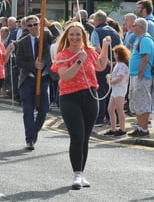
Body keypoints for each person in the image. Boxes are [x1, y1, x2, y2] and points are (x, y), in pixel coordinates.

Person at [51, 22, 111, 190]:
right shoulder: (63, 55)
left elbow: (100, 66)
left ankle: (81, 173)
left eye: (78, 34)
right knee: (77, 137)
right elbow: (66, 76)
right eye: (72, 35)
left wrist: (105, 47)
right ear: (67, 37)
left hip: (90, 96)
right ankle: (76, 174)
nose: (75, 38)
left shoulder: (89, 52)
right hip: (70, 98)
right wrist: (78, 61)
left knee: (85, 137)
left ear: (83, 36)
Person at [16, 15, 62, 150]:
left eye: (35, 24)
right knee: (28, 110)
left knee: (44, 110)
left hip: (44, 78)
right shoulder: (23, 41)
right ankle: (29, 139)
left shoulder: (46, 36)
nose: (33, 27)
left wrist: (49, 25)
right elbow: (18, 62)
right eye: (29, 25)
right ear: (26, 27)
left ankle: (34, 131)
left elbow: (60, 38)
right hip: (28, 79)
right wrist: (33, 65)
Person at [89, 10, 122, 127]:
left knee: (101, 92)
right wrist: (115, 62)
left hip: (102, 65)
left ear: (97, 20)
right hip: (114, 65)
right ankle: (114, 118)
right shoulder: (115, 32)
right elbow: (120, 48)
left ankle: (99, 118)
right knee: (112, 92)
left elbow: (97, 49)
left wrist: (107, 62)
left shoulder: (96, 32)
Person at [127, 18, 154, 137]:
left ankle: (143, 129)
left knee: (142, 101)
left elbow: (145, 58)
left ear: (141, 27)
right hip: (136, 76)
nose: (132, 27)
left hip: (141, 77)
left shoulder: (145, 39)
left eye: (134, 25)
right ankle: (140, 127)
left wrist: (140, 73)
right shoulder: (140, 39)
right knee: (137, 101)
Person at [104, 44, 130, 137]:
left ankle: (122, 129)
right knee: (110, 109)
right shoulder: (118, 65)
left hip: (120, 89)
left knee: (119, 109)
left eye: (115, 53)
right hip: (116, 89)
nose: (114, 55)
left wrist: (109, 81)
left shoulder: (122, 65)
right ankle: (113, 129)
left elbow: (120, 78)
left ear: (118, 54)